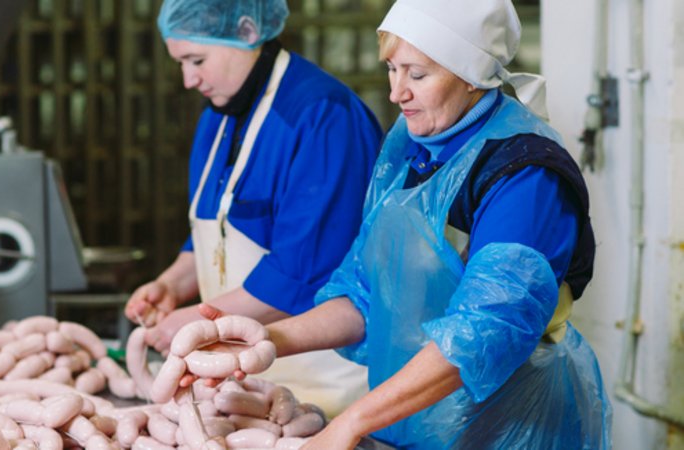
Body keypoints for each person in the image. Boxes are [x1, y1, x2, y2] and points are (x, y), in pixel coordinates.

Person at [186, 0, 612, 448]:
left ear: (470, 74)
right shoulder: (413, 150)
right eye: (392, 69)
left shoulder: (523, 172)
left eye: (417, 74)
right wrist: (267, 340)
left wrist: (351, 422)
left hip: (508, 428)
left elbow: (482, 333)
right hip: (412, 424)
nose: (396, 93)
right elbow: (366, 294)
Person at [124, 0, 383, 415]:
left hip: (325, 392)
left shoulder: (323, 118)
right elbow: (221, 229)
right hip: (243, 381)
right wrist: (172, 284)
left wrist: (200, 323)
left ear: (246, 31)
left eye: (197, 60)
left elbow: (303, 275)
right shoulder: (221, 115)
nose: (188, 79)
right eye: (181, 63)